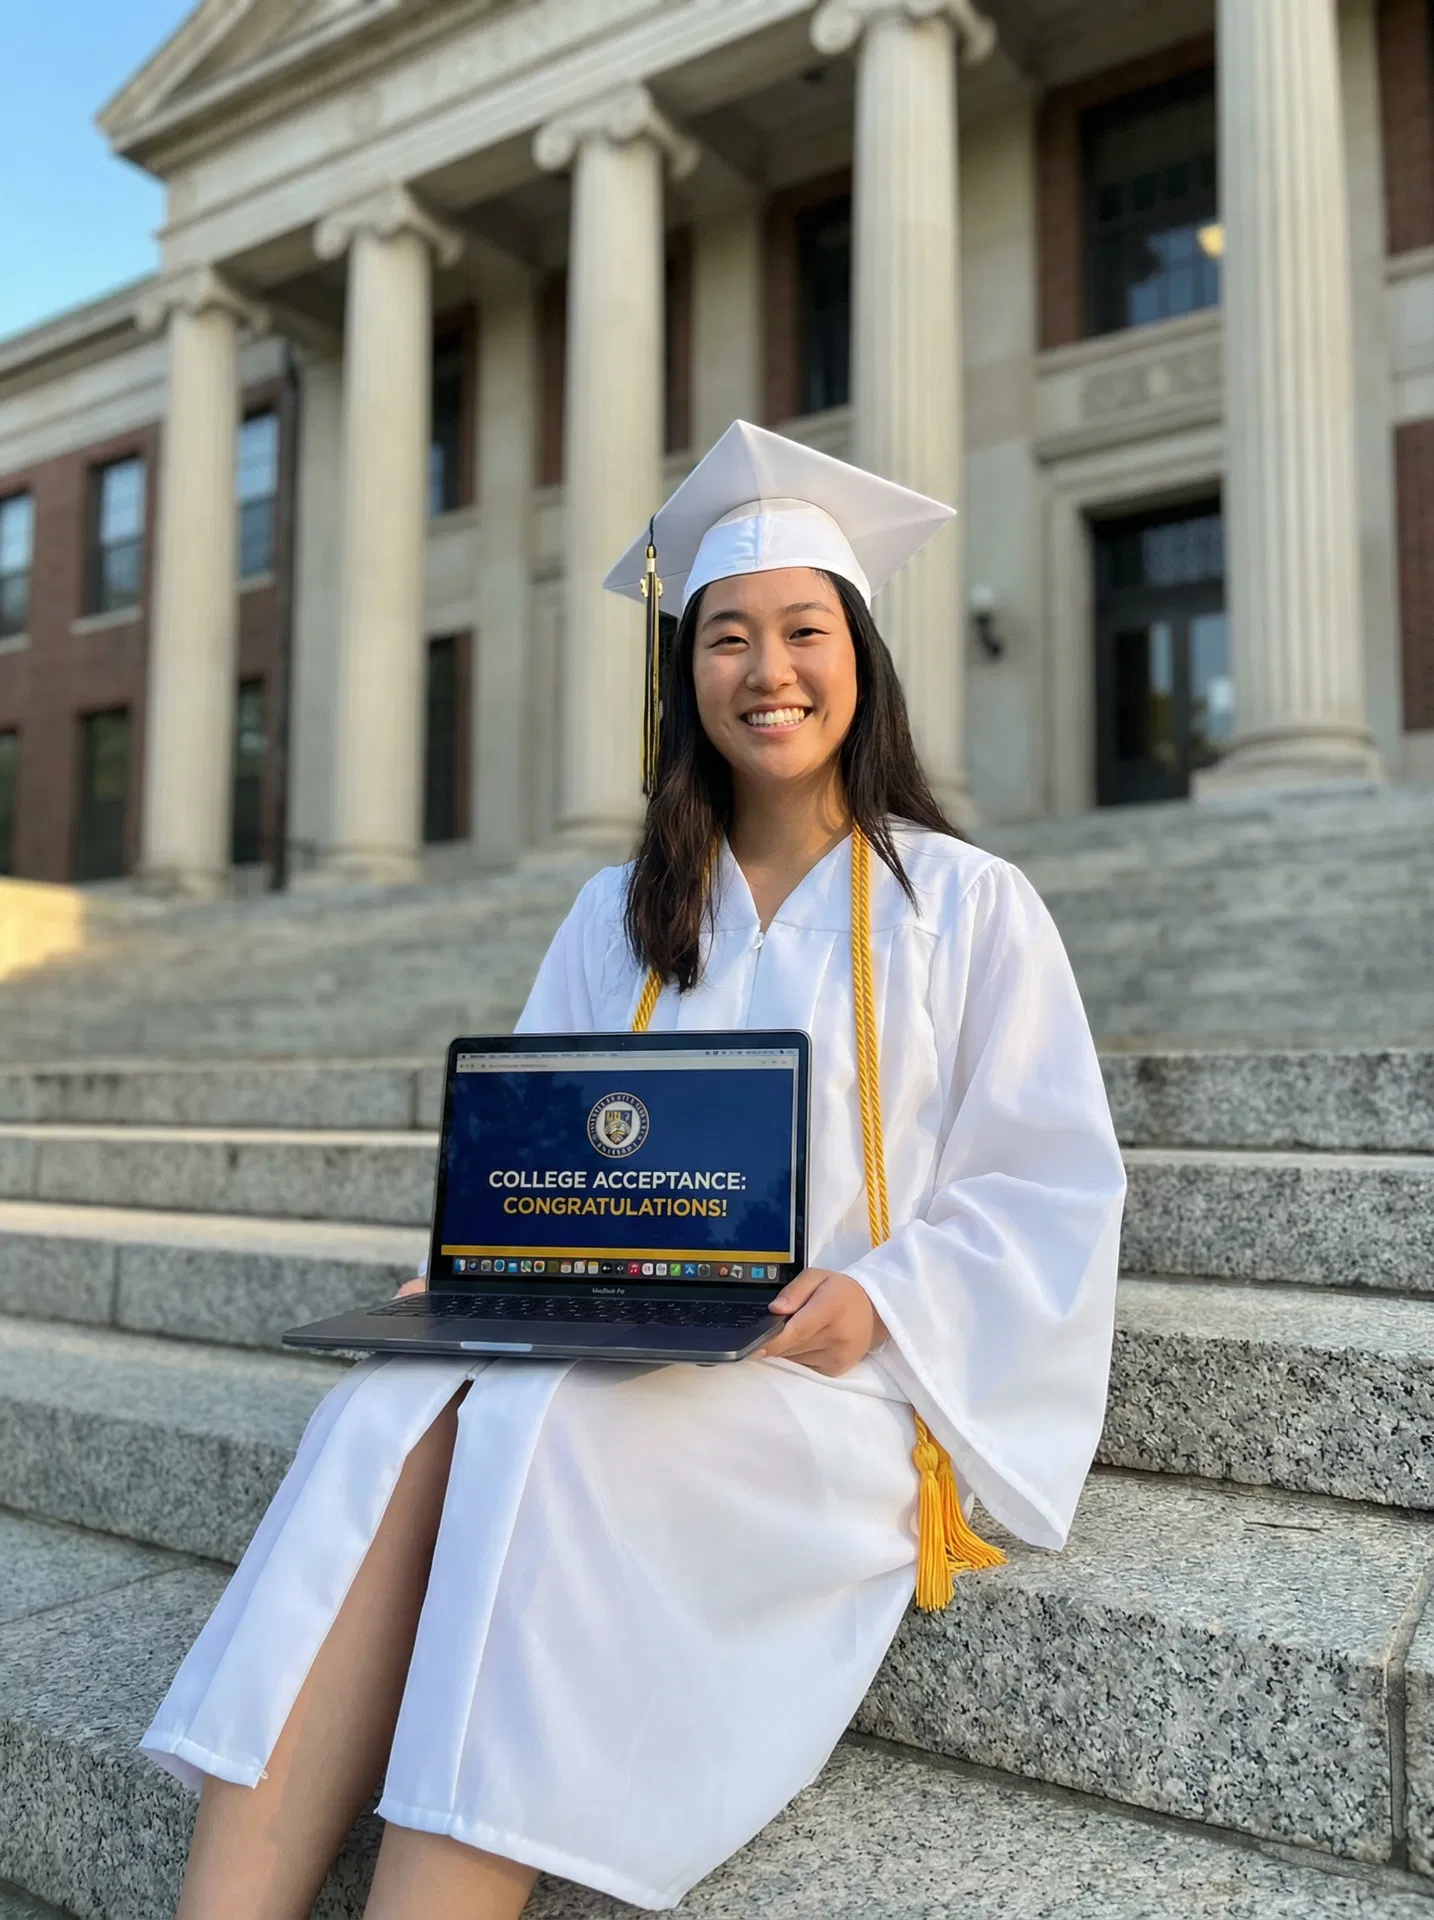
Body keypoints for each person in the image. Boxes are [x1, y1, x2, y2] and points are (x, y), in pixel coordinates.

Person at [142, 421, 1126, 1919]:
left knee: (562, 1435)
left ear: (859, 657)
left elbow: (1044, 1183)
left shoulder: (964, 905)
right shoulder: (620, 911)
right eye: (725, 636)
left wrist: (880, 1299)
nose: (767, 669)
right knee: (383, 1413)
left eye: (803, 630)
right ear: (689, 677)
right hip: (616, 1329)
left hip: (814, 1383)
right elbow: (545, 1144)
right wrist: (483, 1266)